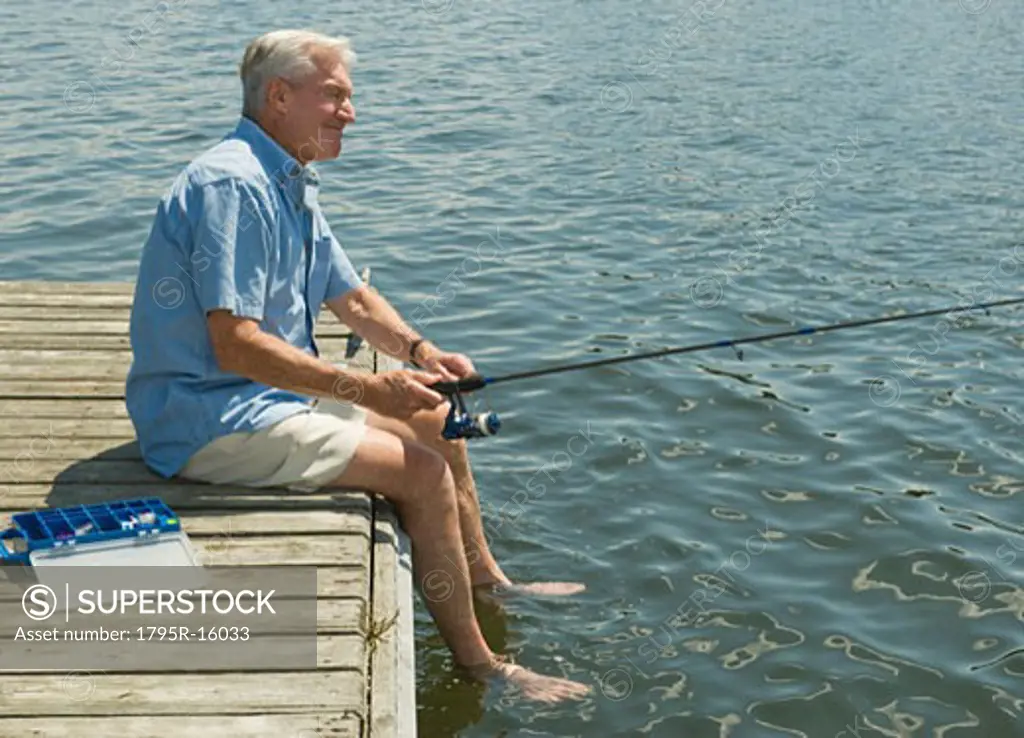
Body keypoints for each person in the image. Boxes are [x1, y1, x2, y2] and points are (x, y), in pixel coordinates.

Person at [125, 29, 589, 704]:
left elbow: (353, 297)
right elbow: (236, 346)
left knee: (434, 414)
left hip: (265, 399)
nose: (351, 112)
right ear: (280, 97)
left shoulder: (286, 178)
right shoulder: (232, 185)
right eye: (334, 96)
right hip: (206, 418)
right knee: (423, 476)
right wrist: (371, 387)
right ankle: (486, 666)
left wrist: (424, 356)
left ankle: (489, 580)